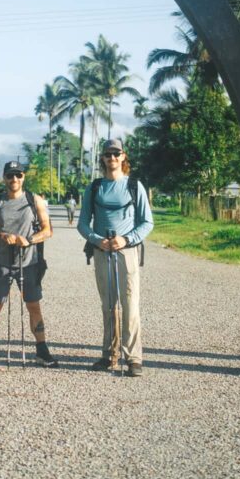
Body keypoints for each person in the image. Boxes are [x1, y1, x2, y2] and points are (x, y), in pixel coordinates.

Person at [77, 139, 154, 377]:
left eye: (116, 153)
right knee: (108, 305)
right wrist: (95, 239)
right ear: (103, 158)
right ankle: (109, 355)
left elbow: (147, 222)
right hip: (101, 252)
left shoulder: (134, 185)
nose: (111, 158)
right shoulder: (95, 187)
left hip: (126, 252)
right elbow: (82, 223)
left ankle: (133, 358)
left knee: (130, 305)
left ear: (123, 157)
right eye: (107, 154)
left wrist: (126, 239)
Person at [0, 161, 59, 368]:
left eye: (18, 175)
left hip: (30, 263)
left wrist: (28, 240)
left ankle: (42, 350)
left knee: (33, 306)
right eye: (10, 176)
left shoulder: (33, 200)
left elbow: (48, 230)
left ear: (23, 177)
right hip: (2, 262)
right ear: (4, 178)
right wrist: (1, 236)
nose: (14, 180)